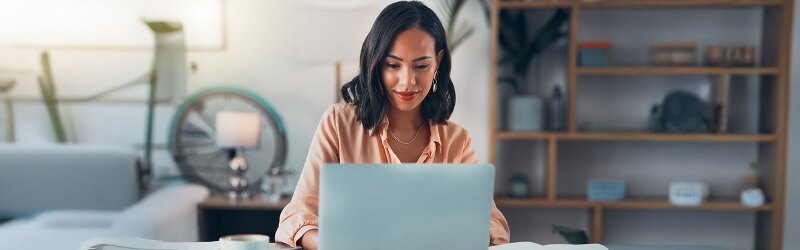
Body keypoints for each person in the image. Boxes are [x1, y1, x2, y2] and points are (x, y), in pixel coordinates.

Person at [275, 1, 510, 249]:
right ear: (375, 63)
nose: (407, 81)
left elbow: (492, 224)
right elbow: (296, 218)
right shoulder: (337, 124)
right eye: (393, 65)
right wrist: (338, 245)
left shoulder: (457, 140)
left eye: (421, 66)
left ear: (438, 62)